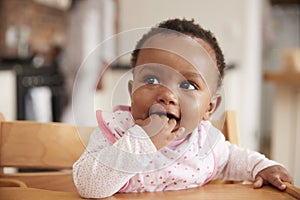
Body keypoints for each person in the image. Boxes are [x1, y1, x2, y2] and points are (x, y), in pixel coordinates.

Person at [73, 18, 293, 199]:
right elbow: (88, 185)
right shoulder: (116, 131)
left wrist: (262, 167)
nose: (167, 95)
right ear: (132, 92)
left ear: (209, 108)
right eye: (151, 79)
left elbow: (235, 159)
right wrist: (141, 141)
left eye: (188, 85)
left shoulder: (205, 144)